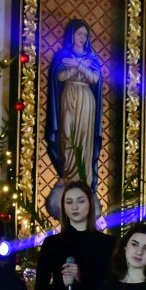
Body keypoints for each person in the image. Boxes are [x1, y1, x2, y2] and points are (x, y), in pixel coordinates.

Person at [46, 18, 104, 191]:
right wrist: (78, 67)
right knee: (67, 135)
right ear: (72, 35)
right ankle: (68, 176)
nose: (82, 37)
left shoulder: (91, 58)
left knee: (85, 138)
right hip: (68, 97)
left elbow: (94, 79)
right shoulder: (62, 56)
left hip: (86, 100)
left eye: (85, 35)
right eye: (79, 33)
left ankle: (84, 180)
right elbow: (60, 77)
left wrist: (78, 65)